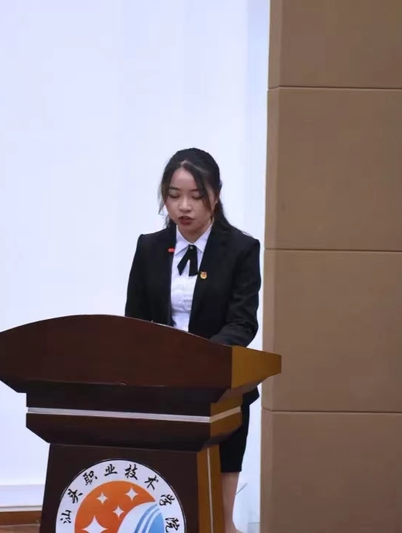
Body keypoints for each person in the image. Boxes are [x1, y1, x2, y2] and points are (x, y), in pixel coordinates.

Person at [124, 147, 261, 533]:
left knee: (217, 520)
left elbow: (242, 323)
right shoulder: (149, 248)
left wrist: (197, 358)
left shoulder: (241, 250)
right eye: (174, 195)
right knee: (167, 508)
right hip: (162, 390)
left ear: (215, 195)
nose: (183, 206)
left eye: (196, 196)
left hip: (219, 389)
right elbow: (135, 321)